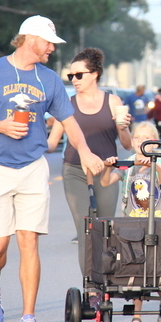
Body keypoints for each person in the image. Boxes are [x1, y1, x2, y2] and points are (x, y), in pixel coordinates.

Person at [0, 15, 105, 322]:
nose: (52, 48)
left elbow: (70, 120)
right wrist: (1, 126)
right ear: (29, 39)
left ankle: (28, 317)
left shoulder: (48, 79)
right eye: (49, 42)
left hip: (32, 168)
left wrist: (85, 151)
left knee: (29, 242)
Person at [46, 47, 132, 277]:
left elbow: (127, 144)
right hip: (74, 171)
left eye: (79, 75)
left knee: (105, 229)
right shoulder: (66, 103)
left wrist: (123, 127)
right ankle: (92, 286)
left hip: (105, 172)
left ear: (94, 74)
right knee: (86, 229)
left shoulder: (113, 101)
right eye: (70, 76)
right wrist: (24, 140)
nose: (74, 80)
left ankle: (107, 279)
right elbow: (52, 142)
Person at [99, 121, 161, 322]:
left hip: (158, 222)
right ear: (132, 142)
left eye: (146, 138)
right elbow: (106, 182)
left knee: (159, 266)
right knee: (135, 266)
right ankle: (136, 317)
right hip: (133, 223)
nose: (141, 142)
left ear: (155, 142)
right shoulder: (130, 164)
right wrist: (109, 166)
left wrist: (155, 164)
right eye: (137, 138)